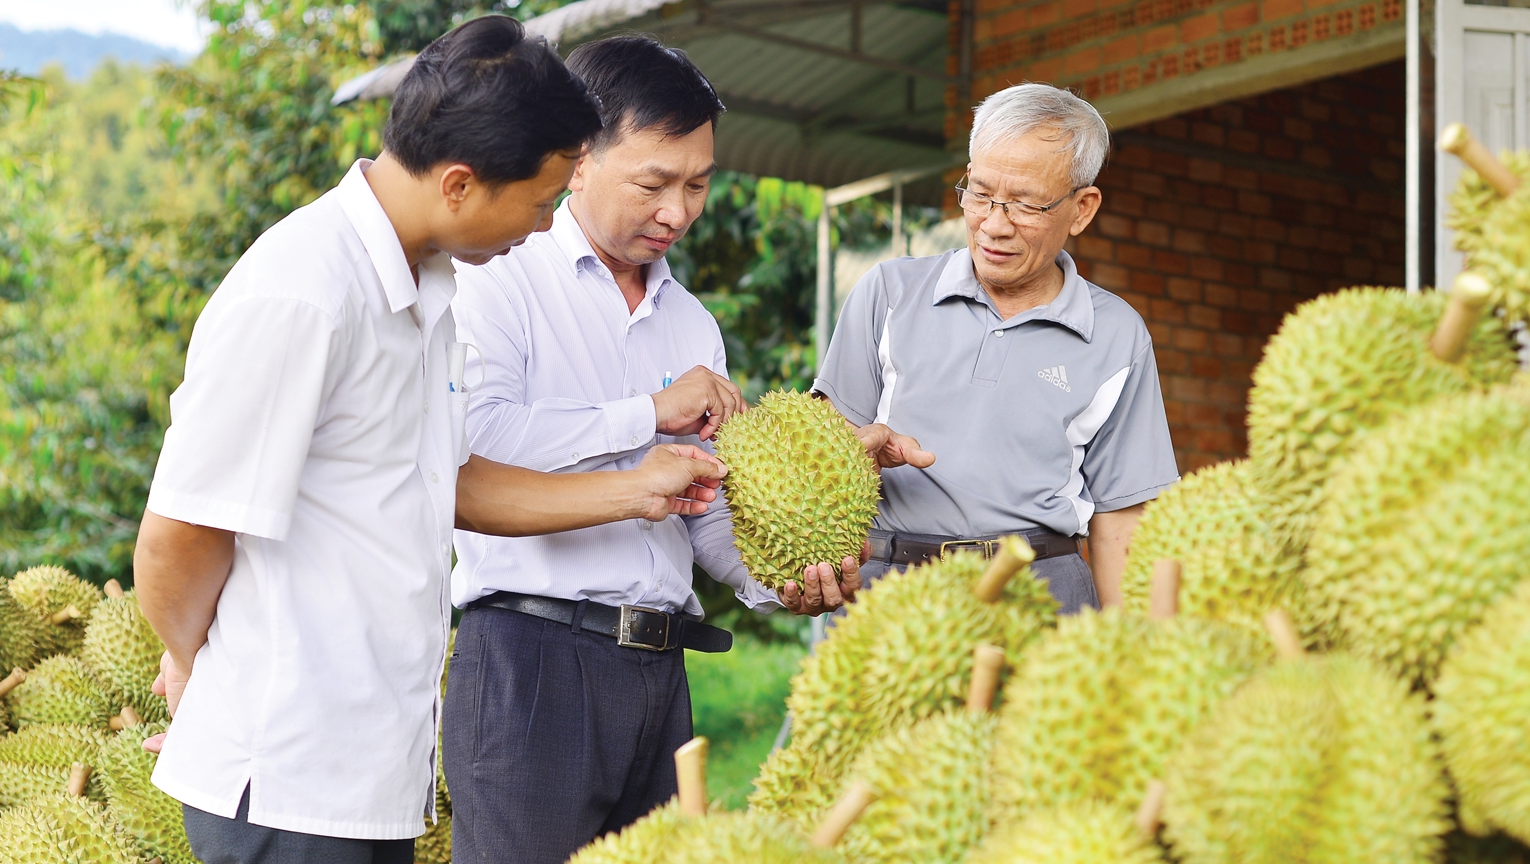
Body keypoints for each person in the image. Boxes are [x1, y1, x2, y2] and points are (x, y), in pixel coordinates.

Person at [132, 18, 728, 864]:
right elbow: (179, 536)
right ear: (459, 183)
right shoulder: (303, 290)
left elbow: (450, 483)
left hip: (373, 775)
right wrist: (198, 669)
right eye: (536, 199)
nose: (540, 224)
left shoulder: (428, 288)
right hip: (286, 771)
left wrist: (642, 488)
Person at [442, 35, 918, 864]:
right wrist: (647, 414)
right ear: (578, 160)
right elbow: (473, 448)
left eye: (697, 184)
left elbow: (700, 515)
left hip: (659, 671)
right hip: (529, 663)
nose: (679, 211)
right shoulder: (497, 280)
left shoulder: (693, 324)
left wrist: (780, 580)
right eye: (655, 183)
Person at [814, 82, 1179, 614]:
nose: (994, 224)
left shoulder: (1118, 334)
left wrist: (1134, 656)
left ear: (1081, 209)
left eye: (1026, 205)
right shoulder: (889, 292)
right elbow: (822, 446)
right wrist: (855, 452)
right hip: (890, 589)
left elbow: (1121, 519)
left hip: (1042, 596)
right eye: (980, 194)